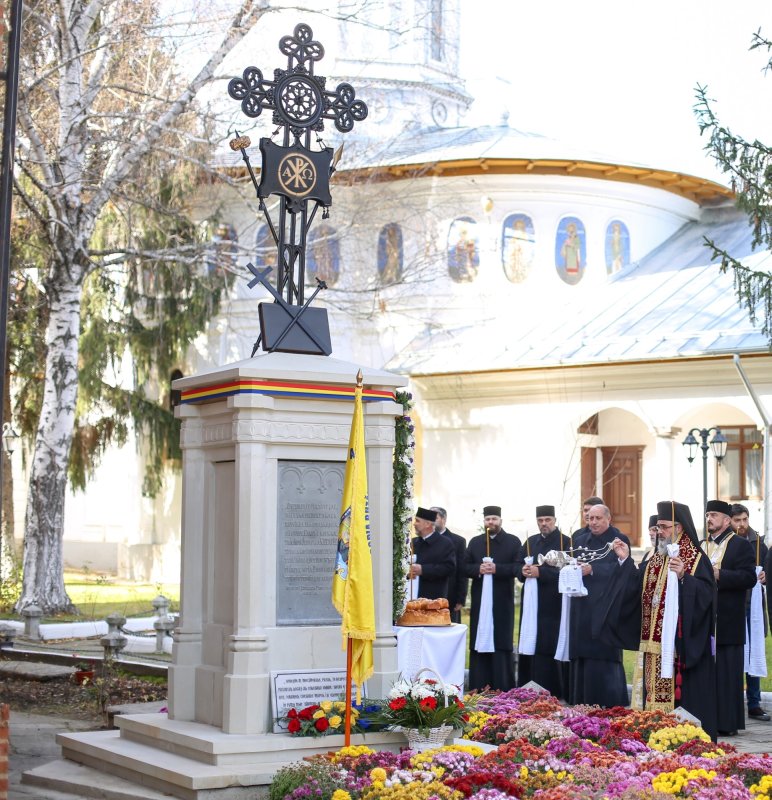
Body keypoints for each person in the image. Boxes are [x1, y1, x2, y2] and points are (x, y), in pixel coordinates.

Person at [604, 501, 718, 741]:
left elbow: (708, 596)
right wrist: (625, 560)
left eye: (664, 527)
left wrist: (685, 577)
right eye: (657, 527)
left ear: (680, 528)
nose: (660, 532)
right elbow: (637, 588)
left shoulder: (695, 558)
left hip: (679, 649)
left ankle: (682, 741)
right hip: (651, 647)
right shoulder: (656, 559)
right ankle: (653, 737)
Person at [704, 499, 757, 736]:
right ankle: (706, 718)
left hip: (727, 620)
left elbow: (748, 578)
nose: (709, 519)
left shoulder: (740, 545)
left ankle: (727, 722)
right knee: (707, 674)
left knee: (726, 673)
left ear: (726, 520)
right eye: (707, 515)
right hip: (703, 622)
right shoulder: (701, 545)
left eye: (714, 515)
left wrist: (719, 574)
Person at [569, 504, 629, 707]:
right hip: (582, 605)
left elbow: (621, 568)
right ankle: (582, 702)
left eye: (597, 518)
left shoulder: (619, 540)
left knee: (604, 654)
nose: (592, 522)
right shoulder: (579, 540)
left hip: (606, 605)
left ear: (608, 518)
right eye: (589, 518)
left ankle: (609, 703)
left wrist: (593, 569)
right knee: (582, 654)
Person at [515, 504, 570, 699]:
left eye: (547, 520)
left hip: (553, 602)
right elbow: (517, 564)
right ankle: (528, 689)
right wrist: (522, 571)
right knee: (531, 642)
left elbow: (567, 572)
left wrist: (541, 572)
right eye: (540, 520)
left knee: (549, 644)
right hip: (531, 603)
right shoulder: (530, 542)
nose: (544, 524)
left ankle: (553, 690)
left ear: (555, 520)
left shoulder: (566, 542)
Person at [464, 505, 522, 692]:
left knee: (500, 639)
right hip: (480, 601)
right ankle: (478, 685)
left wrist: (497, 569)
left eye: (494, 519)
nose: (491, 522)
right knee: (479, 638)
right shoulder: (475, 542)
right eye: (488, 519)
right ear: (484, 521)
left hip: (502, 601)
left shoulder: (513, 542)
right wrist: (478, 569)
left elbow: (517, 568)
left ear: (500, 521)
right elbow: (464, 567)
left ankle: (503, 685)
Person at [730, 503, 769, 722]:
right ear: (730, 520)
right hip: (731, 607)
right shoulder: (725, 543)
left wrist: (766, 577)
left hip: (752, 607)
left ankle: (754, 702)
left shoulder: (758, 543)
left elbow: (767, 568)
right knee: (734, 655)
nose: (742, 524)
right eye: (737, 520)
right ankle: (732, 701)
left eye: (744, 519)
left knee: (754, 652)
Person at [408, 507, 456, 601]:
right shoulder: (413, 542)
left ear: (427, 524)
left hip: (433, 598)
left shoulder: (445, 543)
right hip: (411, 596)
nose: (414, 524)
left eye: (417, 521)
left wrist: (423, 569)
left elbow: (449, 568)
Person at [431, 506, 468, 623]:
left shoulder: (458, 541)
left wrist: (460, 598)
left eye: (435, 517)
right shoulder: (421, 541)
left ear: (444, 519)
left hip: (450, 594)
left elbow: (462, 570)